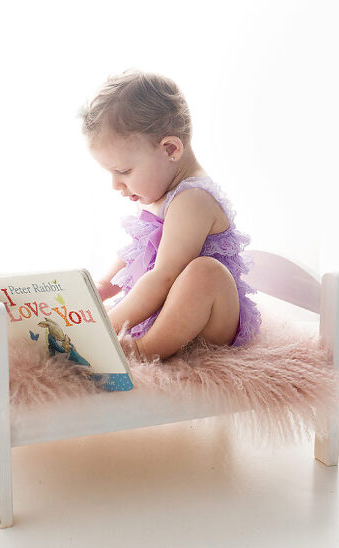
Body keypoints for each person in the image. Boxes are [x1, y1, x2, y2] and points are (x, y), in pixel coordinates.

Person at [78, 69, 261, 360]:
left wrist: (105, 327)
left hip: (211, 323)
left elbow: (164, 277)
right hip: (168, 311)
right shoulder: (162, 192)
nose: (115, 184)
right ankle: (138, 333)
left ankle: (145, 350)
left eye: (123, 171)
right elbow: (139, 252)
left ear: (170, 149)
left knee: (206, 273)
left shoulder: (193, 200)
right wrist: (103, 287)